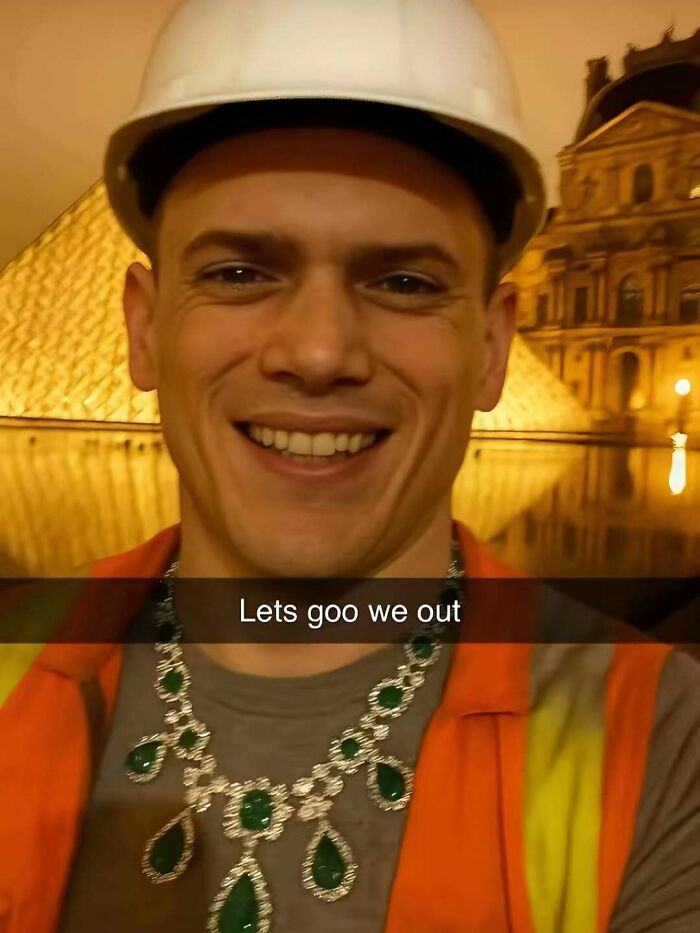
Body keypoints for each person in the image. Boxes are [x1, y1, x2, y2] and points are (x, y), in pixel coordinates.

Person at [1, 1, 699, 931]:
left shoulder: (664, 739)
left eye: (403, 282)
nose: (320, 351)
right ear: (140, 326)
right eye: (240, 273)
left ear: (493, 349)